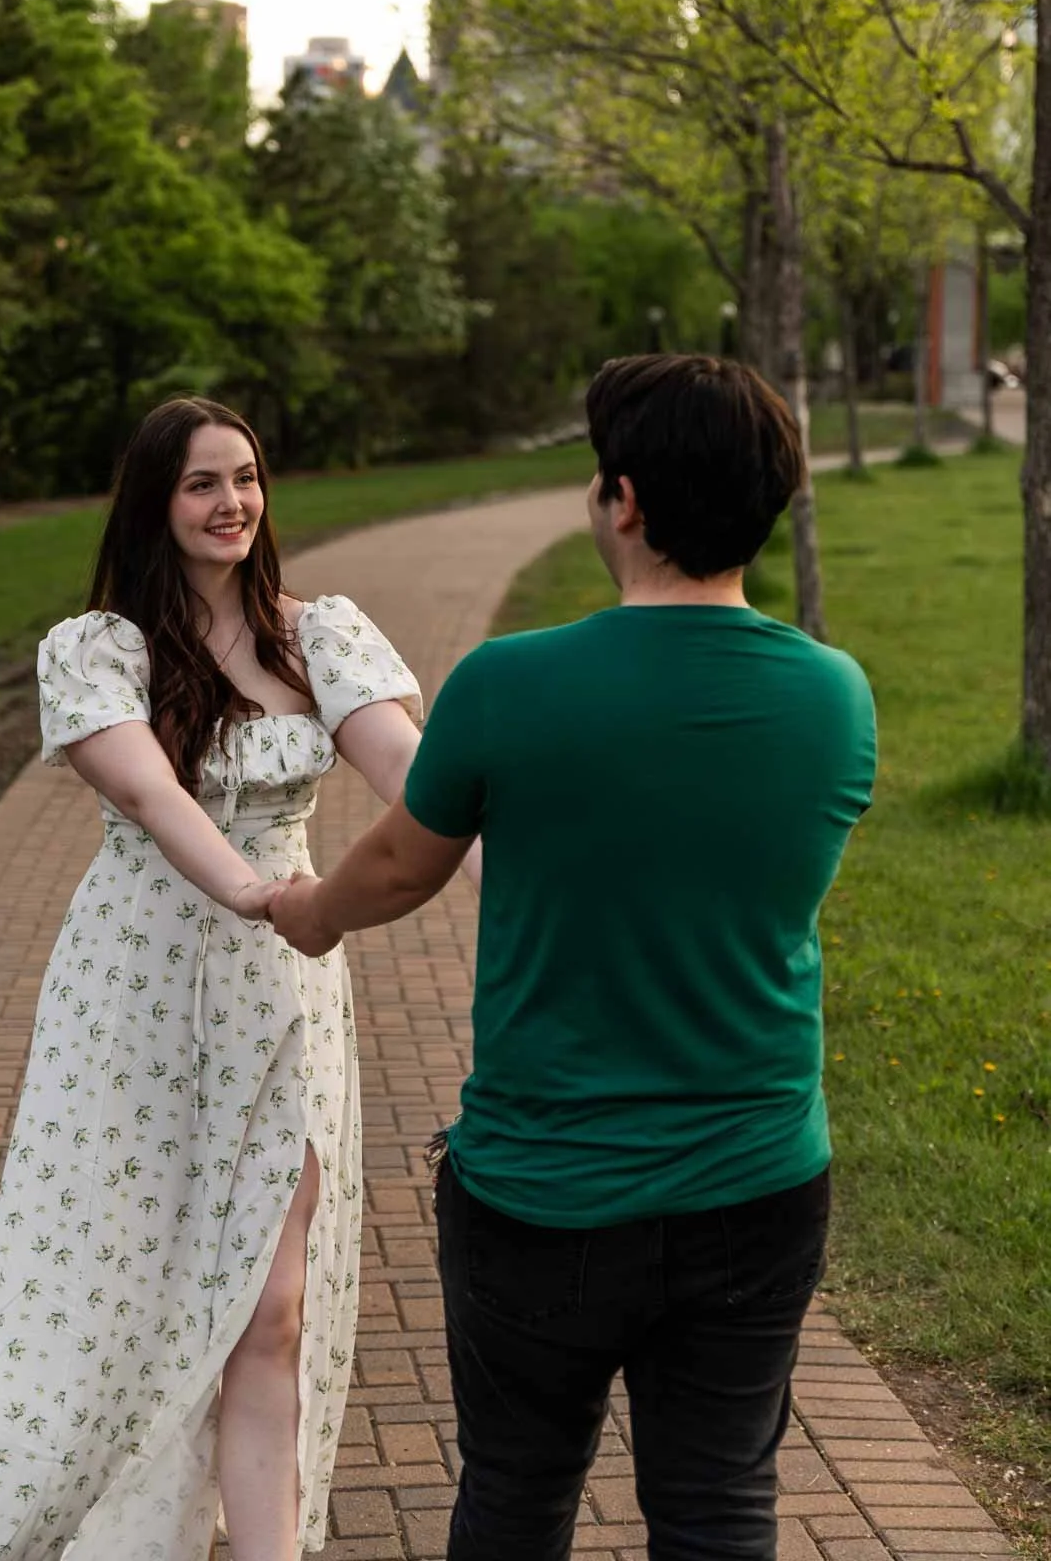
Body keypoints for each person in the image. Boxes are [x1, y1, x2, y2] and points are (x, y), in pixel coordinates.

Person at [271, 353, 878, 1561]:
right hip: (755, 1184)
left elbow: (396, 868)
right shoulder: (834, 696)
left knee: (514, 1499)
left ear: (625, 501)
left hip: (541, 1193)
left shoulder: (510, 683)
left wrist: (313, 912)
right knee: (718, 1509)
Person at [0, 395, 444, 1561]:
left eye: (246, 477)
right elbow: (147, 794)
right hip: (137, 985)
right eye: (201, 483)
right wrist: (259, 894)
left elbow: (412, 776)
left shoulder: (319, 635)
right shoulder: (97, 649)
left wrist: (499, 851)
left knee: (272, 1305)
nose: (232, 503)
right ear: (153, 503)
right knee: (130, 1284)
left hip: (284, 992)